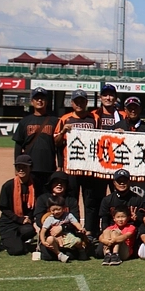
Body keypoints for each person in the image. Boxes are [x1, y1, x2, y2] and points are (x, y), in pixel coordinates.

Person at [53, 89, 98, 234]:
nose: (79, 103)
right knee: (72, 201)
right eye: (76, 101)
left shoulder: (94, 118)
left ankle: (90, 230)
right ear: (72, 103)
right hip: (70, 168)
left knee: (90, 201)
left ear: (86, 102)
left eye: (82, 101)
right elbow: (56, 142)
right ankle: (73, 229)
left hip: (89, 167)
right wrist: (63, 132)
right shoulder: (65, 119)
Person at [12, 87, 57, 193]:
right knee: (30, 196)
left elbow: (59, 145)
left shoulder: (54, 121)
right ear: (32, 102)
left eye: (42, 98)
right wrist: (17, 166)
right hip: (29, 166)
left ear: (46, 102)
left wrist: (59, 166)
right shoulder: (24, 121)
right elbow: (18, 145)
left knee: (47, 197)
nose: (39, 101)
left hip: (49, 166)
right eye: (37, 98)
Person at [0, 155, 37, 256]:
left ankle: (15, 240)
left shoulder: (35, 185)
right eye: (18, 167)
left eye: (24, 167)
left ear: (30, 168)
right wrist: (20, 219)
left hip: (23, 222)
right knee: (17, 251)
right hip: (8, 223)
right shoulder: (8, 185)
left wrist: (30, 217)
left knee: (30, 231)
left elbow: (36, 205)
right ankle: (5, 241)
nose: (21, 169)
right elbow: (3, 207)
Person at [39, 195, 88, 263]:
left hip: (67, 236)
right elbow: (42, 231)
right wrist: (43, 242)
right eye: (53, 210)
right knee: (50, 239)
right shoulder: (49, 219)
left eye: (58, 209)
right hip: (55, 239)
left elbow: (76, 223)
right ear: (49, 210)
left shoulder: (68, 215)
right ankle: (59, 254)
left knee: (78, 241)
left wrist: (80, 228)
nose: (56, 212)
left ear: (64, 208)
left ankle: (81, 250)